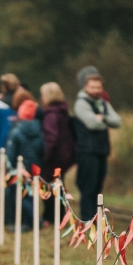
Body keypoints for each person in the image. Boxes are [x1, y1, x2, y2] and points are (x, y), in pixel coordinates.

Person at [72, 66, 122, 222]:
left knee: (97, 189)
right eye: (92, 87)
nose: (96, 90)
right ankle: (87, 220)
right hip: (87, 152)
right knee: (88, 188)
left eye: (98, 87)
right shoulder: (81, 103)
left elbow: (117, 121)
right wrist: (104, 120)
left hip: (101, 151)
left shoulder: (103, 103)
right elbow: (93, 124)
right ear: (85, 87)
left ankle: (95, 219)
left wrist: (103, 118)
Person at [39, 81, 76, 225]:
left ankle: (51, 217)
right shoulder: (63, 112)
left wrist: (45, 156)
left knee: (48, 188)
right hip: (64, 156)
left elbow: (51, 139)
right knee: (58, 187)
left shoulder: (51, 115)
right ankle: (59, 216)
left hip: (54, 158)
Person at [5, 99, 44, 231]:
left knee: (21, 197)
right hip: (34, 167)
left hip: (20, 169)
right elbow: (42, 150)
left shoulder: (16, 131)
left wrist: (10, 167)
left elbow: (11, 153)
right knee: (31, 196)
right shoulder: (39, 131)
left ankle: (34, 220)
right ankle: (28, 222)